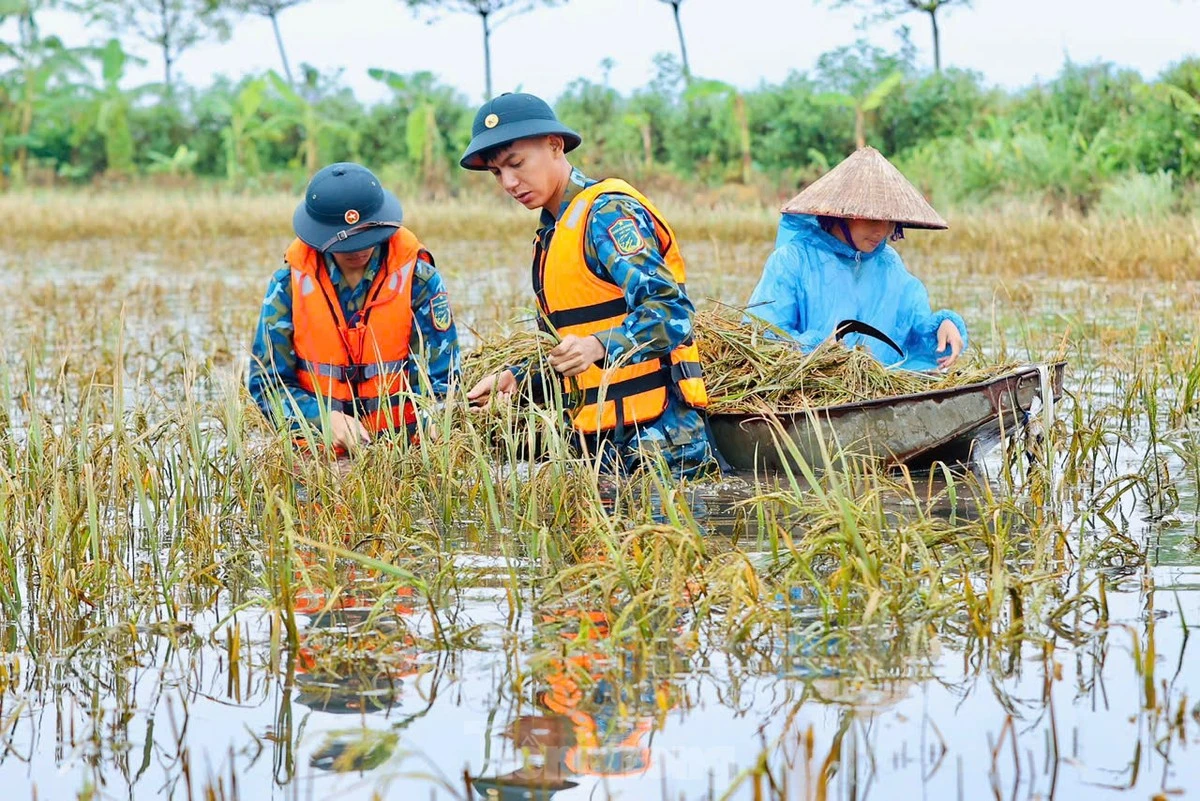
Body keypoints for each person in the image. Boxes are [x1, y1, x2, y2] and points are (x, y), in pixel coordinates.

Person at [460, 92, 716, 479]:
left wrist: (599, 345)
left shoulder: (607, 214)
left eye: (516, 164)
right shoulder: (552, 234)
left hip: (661, 444)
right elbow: (574, 351)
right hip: (599, 443)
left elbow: (671, 312)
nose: (509, 182)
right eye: (497, 173)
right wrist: (520, 378)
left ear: (554, 145)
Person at [249, 162, 460, 452]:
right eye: (346, 243)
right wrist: (322, 419)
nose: (359, 250)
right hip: (316, 457)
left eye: (367, 238)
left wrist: (434, 425)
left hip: (401, 456)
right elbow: (266, 386)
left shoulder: (420, 281)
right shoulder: (287, 286)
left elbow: (444, 383)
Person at [746, 146, 967, 371]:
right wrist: (817, 350)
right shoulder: (792, 260)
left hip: (880, 388)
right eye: (872, 219)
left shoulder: (888, 263)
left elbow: (915, 324)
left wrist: (943, 326)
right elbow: (764, 336)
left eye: (889, 221)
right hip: (813, 386)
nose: (881, 232)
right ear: (841, 215)